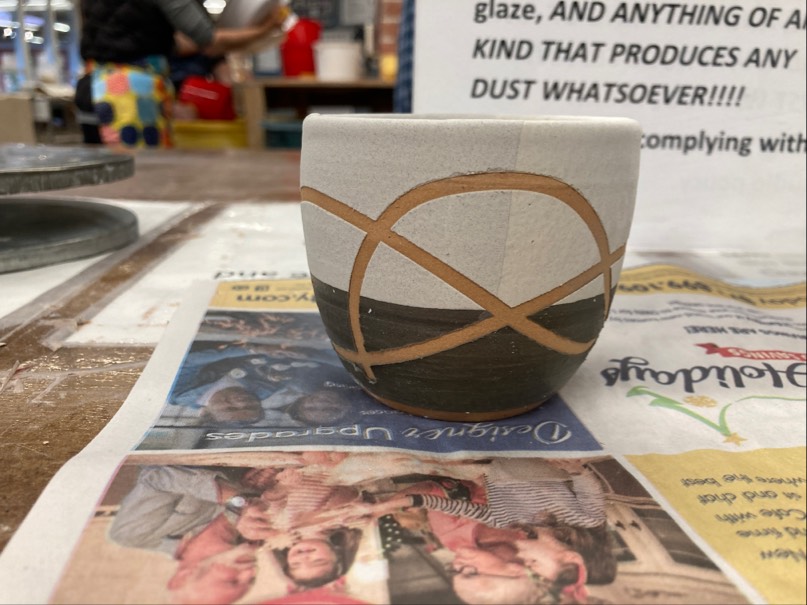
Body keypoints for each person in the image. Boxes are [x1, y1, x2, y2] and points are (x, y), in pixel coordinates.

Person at [78, 0, 288, 148]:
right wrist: (266, 28)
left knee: (107, 182)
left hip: (93, 85)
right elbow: (209, 42)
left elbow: (170, 43)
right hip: (129, 93)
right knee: (139, 177)